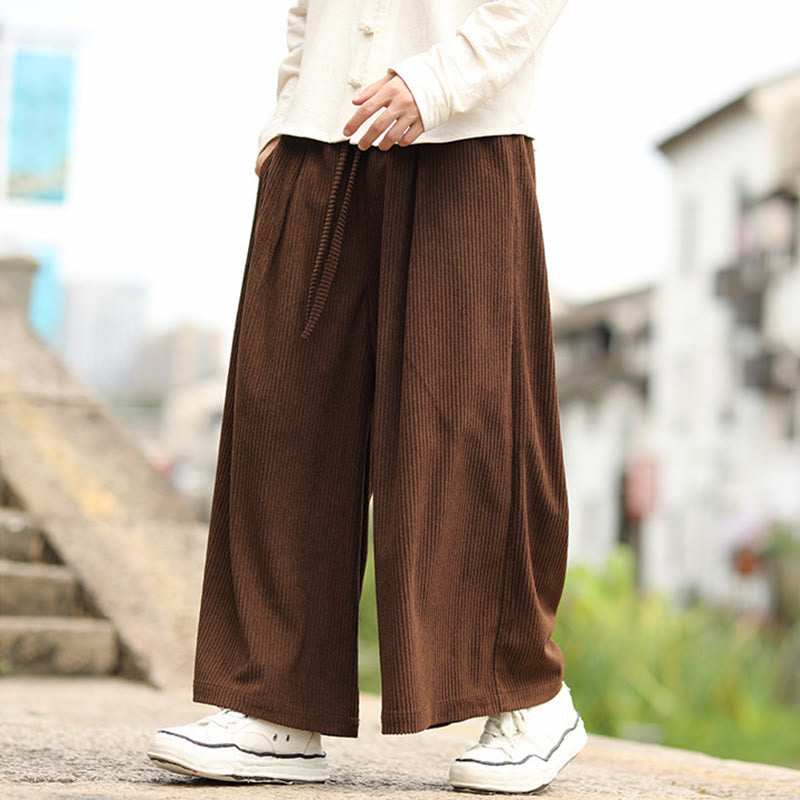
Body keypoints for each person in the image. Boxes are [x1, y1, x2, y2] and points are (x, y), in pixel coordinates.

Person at [146, 0, 587, 793]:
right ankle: (276, 702)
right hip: (319, 135)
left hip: (465, 133)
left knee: (467, 431)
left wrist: (438, 79)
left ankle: (527, 698)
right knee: (284, 417)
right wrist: (287, 111)